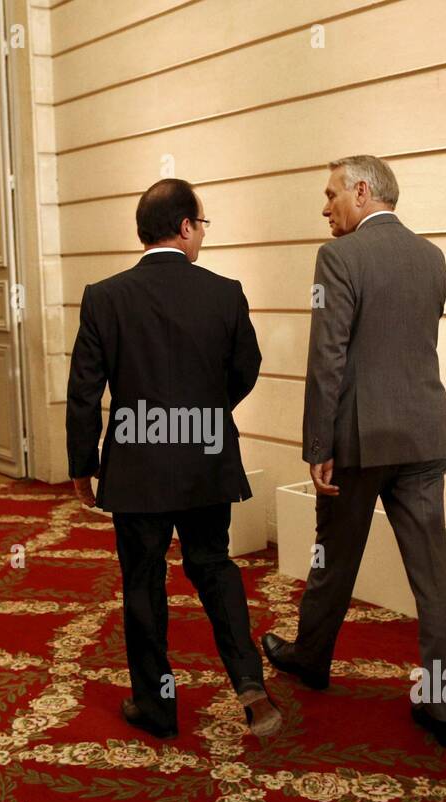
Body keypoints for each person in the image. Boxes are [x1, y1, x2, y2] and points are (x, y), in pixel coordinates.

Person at [260, 155, 446, 748]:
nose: (325, 208)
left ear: (361, 189)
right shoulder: (433, 257)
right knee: (433, 577)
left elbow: (329, 357)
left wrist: (318, 445)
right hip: (426, 434)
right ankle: (444, 706)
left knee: (333, 558)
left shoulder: (339, 257)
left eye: (330, 195)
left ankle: (311, 657)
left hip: (359, 440)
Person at [66, 178, 281, 740]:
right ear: (185, 227)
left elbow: (84, 391)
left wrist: (81, 464)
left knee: (143, 580)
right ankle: (250, 684)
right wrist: (207, 412)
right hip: (206, 458)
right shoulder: (225, 292)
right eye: (202, 225)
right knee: (213, 566)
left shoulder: (104, 296)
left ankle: (158, 706)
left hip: (135, 469)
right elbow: (246, 369)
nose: (202, 235)